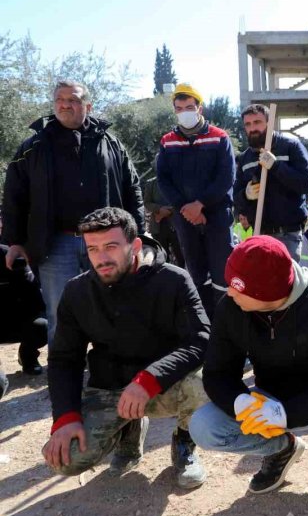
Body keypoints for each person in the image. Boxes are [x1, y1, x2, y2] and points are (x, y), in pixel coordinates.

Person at [190, 236, 308, 498]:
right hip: (268, 400)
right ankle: (280, 448)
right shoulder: (232, 308)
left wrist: (286, 413)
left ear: (268, 294)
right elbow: (217, 374)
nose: (229, 292)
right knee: (205, 426)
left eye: (238, 287)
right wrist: (239, 402)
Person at [42, 207, 210, 488]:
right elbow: (63, 359)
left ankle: (184, 443)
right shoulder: (77, 292)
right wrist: (65, 417)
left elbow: (200, 340)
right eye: (93, 249)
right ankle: (129, 433)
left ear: (134, 246)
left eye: (110, 247)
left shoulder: (174, 279)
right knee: (67, 460)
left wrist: (149, 379)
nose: (101, 258)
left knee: (205, 384)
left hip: (161, 386)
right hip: (111, 389)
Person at [2, 80, 144, 343]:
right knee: (60, 312)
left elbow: (132, 188)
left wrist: (140, 236)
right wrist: (14, 241)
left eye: (74, 99)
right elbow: (14, 196)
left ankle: (108, 375)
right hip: (55, 245)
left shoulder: (111, 144)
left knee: (111, 308)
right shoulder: (33, 147)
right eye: (60, 99)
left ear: (88, 106)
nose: (66, 104)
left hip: (106, 242)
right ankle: (65, 378)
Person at [155, 83, 235, 318]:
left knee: (223, 272)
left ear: (200, 108)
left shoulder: (219, 137)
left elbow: (226, 177)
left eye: (189, 106)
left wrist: (200, 204)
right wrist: (184, 207)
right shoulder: (167, 141)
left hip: (217, 216)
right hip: (184, 218)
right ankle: (202, 328)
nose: (185, 112)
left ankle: (226, 324)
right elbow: (164, 180)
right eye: (179, 108)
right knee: (196, 273)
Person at [234, 104, 308, 268]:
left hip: (288, 233)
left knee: (287, 284)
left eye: (257, 122)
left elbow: (307, 183)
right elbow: (235, 198)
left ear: (270, 122)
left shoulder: (290, 146)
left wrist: (276, 166)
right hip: (260, 233)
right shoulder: (244, 159)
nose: (253, 128)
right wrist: (246, 195)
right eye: (248, 124)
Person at [0, 243, 47, 374]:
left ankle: (28, 356)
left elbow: (33, 296)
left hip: (12, 316)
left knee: (41, 326)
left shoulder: (8, 255)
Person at [143, 174, 183, 267]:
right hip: (158, 226)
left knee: (181, 255)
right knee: (162, 256)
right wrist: (160, 209)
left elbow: (184, 200)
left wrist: (169, 210)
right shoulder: (151, 183)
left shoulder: (178, 181)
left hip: (177, 225)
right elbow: (147, 203)